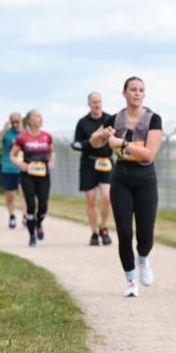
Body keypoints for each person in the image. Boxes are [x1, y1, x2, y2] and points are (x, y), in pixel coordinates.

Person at [89, 77, 162, 297]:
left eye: (141, 90)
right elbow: (94, 142)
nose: (137, 93)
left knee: (145, 234)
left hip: (145, 179)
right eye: (133, 89)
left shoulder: (153, 119)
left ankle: (143, 259)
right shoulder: (115, 119)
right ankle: (131, 281)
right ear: (124, 93)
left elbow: (149, 154)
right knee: (124, 232)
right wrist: (101, 135)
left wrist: (123, 143)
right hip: (121, 179)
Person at [72, 92, 114, 246]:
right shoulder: (83, 122)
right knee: (91, 200)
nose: (97, 105)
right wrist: (90, 141)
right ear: (89, 104)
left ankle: (104, 228)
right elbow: (77, 143)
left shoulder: (110, 120)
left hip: (106, 162)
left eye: (99, 102)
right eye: (94, 102)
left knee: (107, 197)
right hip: (88, 164)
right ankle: (94, 233)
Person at [10, 109, 55, 247]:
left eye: (41, 116)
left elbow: (51, 152)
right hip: (28, 176)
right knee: (30, 206)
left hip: (43, 175)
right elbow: (12, 155)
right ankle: (32, 236)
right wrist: (20, 164)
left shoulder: (47, 136)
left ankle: (38, 223)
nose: (40, 119)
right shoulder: (22, 138)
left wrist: (52, 160)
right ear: (29, 120)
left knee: (43, 206)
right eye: (37, 116)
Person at [0, 113, 23, 228]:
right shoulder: (7, 133)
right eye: (13, 122)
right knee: (10, 195)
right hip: (8, 168)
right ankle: (12, 216)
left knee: (24, 193)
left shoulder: (25, 133)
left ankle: (26, 216)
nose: (15, 124)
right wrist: (3, 130)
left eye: (17, 121)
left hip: (22, 168)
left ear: (21, 121)